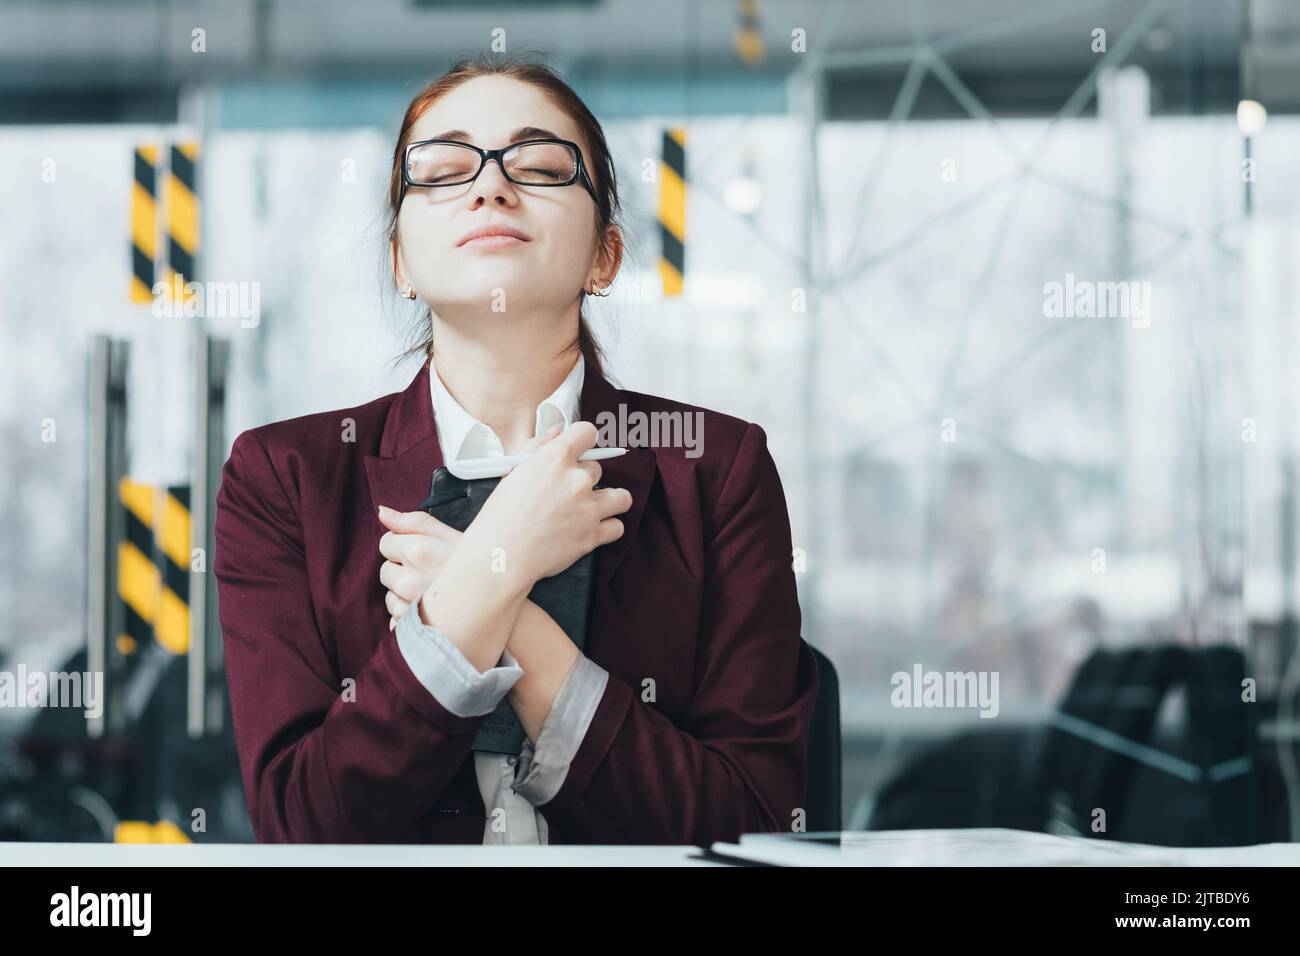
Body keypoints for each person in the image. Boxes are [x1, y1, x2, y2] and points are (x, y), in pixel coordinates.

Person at [212, 55, 820, 846]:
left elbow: (752, 823)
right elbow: (305, 828)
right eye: (441, 169)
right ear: (400, 261)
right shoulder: (283, 479)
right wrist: (502, 557)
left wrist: (492, 601)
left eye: (538, 165)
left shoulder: (717, 468)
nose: (490, 186)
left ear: (606, 255)